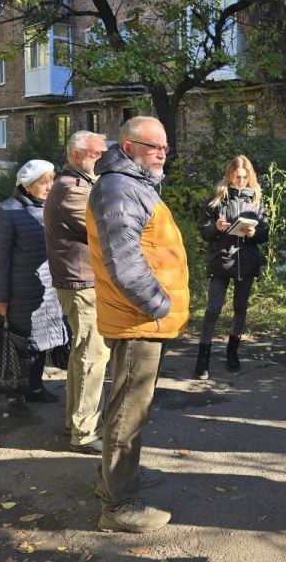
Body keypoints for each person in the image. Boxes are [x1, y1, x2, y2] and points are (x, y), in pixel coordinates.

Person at [86, 116, 189, 534]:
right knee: (129, 412)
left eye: (165, 147)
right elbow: (124, 261)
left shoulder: (130, 185)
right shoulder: (119, 188)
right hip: (139, 320)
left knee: (130, 409)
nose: (162, 153)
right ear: (128, 148)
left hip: (141, 320)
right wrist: (159, 305)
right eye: (153, 147)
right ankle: (118, 505)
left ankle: (114, 481)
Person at [43, 130, 110, 455]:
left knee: (82, 353)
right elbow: (105, 228)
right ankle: (83, 433)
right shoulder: (71, 189)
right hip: (81, 284)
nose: (104, 157)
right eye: (97, 153)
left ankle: (75, 422)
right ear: (76, 156)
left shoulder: (80, 184)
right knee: (92, 357)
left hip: (82, 282)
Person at [0, 159, 68, 418]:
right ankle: (14, 393)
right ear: (26, 186)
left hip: (48, 290)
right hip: (20, 291)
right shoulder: (8, 210)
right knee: (21, 344)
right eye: (43, 182)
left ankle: (34, 386)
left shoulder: (51, 208)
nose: (49, 186)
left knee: (42, 343)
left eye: (51, 180)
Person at [195, 155, 269, 379]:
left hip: (245, 263)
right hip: (221, 260)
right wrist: (216, 227)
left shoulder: (256, 200)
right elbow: (204, 231)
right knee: (213, 309)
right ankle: (203, 356)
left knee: (240, 309)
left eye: (245, 177)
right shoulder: (217, 199)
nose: (241, 181)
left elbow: (264, 232)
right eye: (238, 177)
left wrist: (255, 232)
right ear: (230, 175)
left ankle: (232, 351)